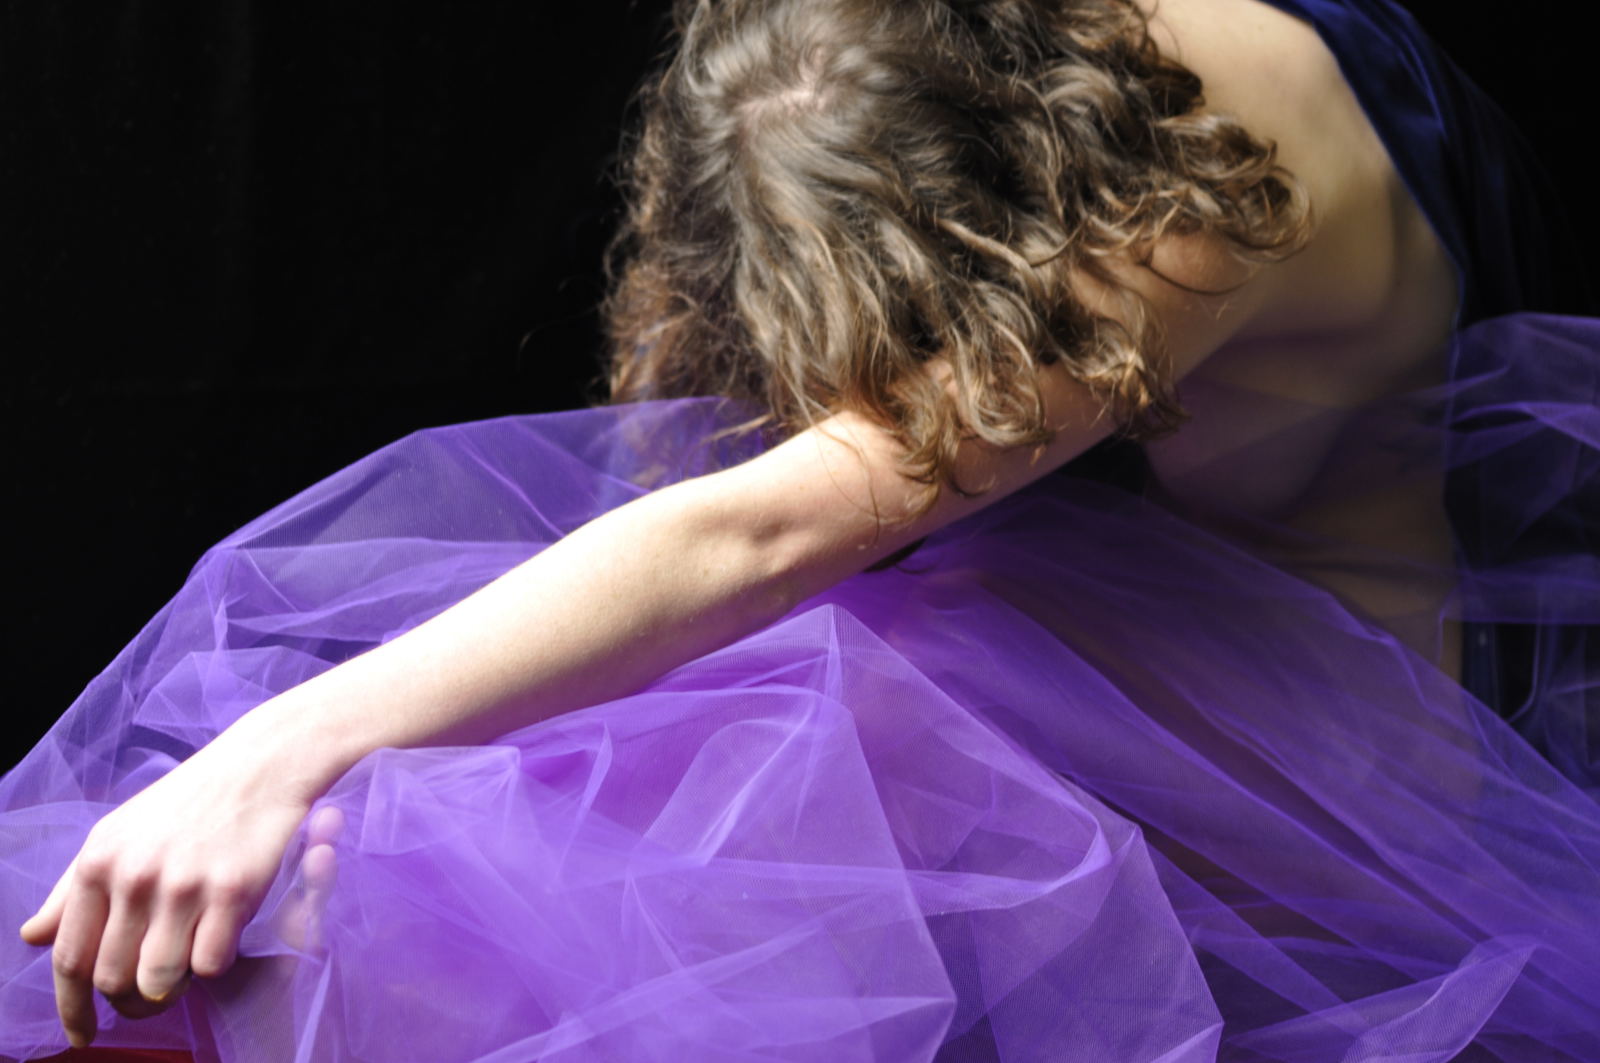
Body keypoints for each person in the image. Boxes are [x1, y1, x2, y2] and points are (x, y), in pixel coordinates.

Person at [3, 0, 1598, 1059]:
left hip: (1381, 732)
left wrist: (275, 754)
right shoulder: (1061, 47)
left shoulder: (1164, 228)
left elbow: (763, 536)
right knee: (587, 735)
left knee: (838, 698)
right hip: (1175, 580)